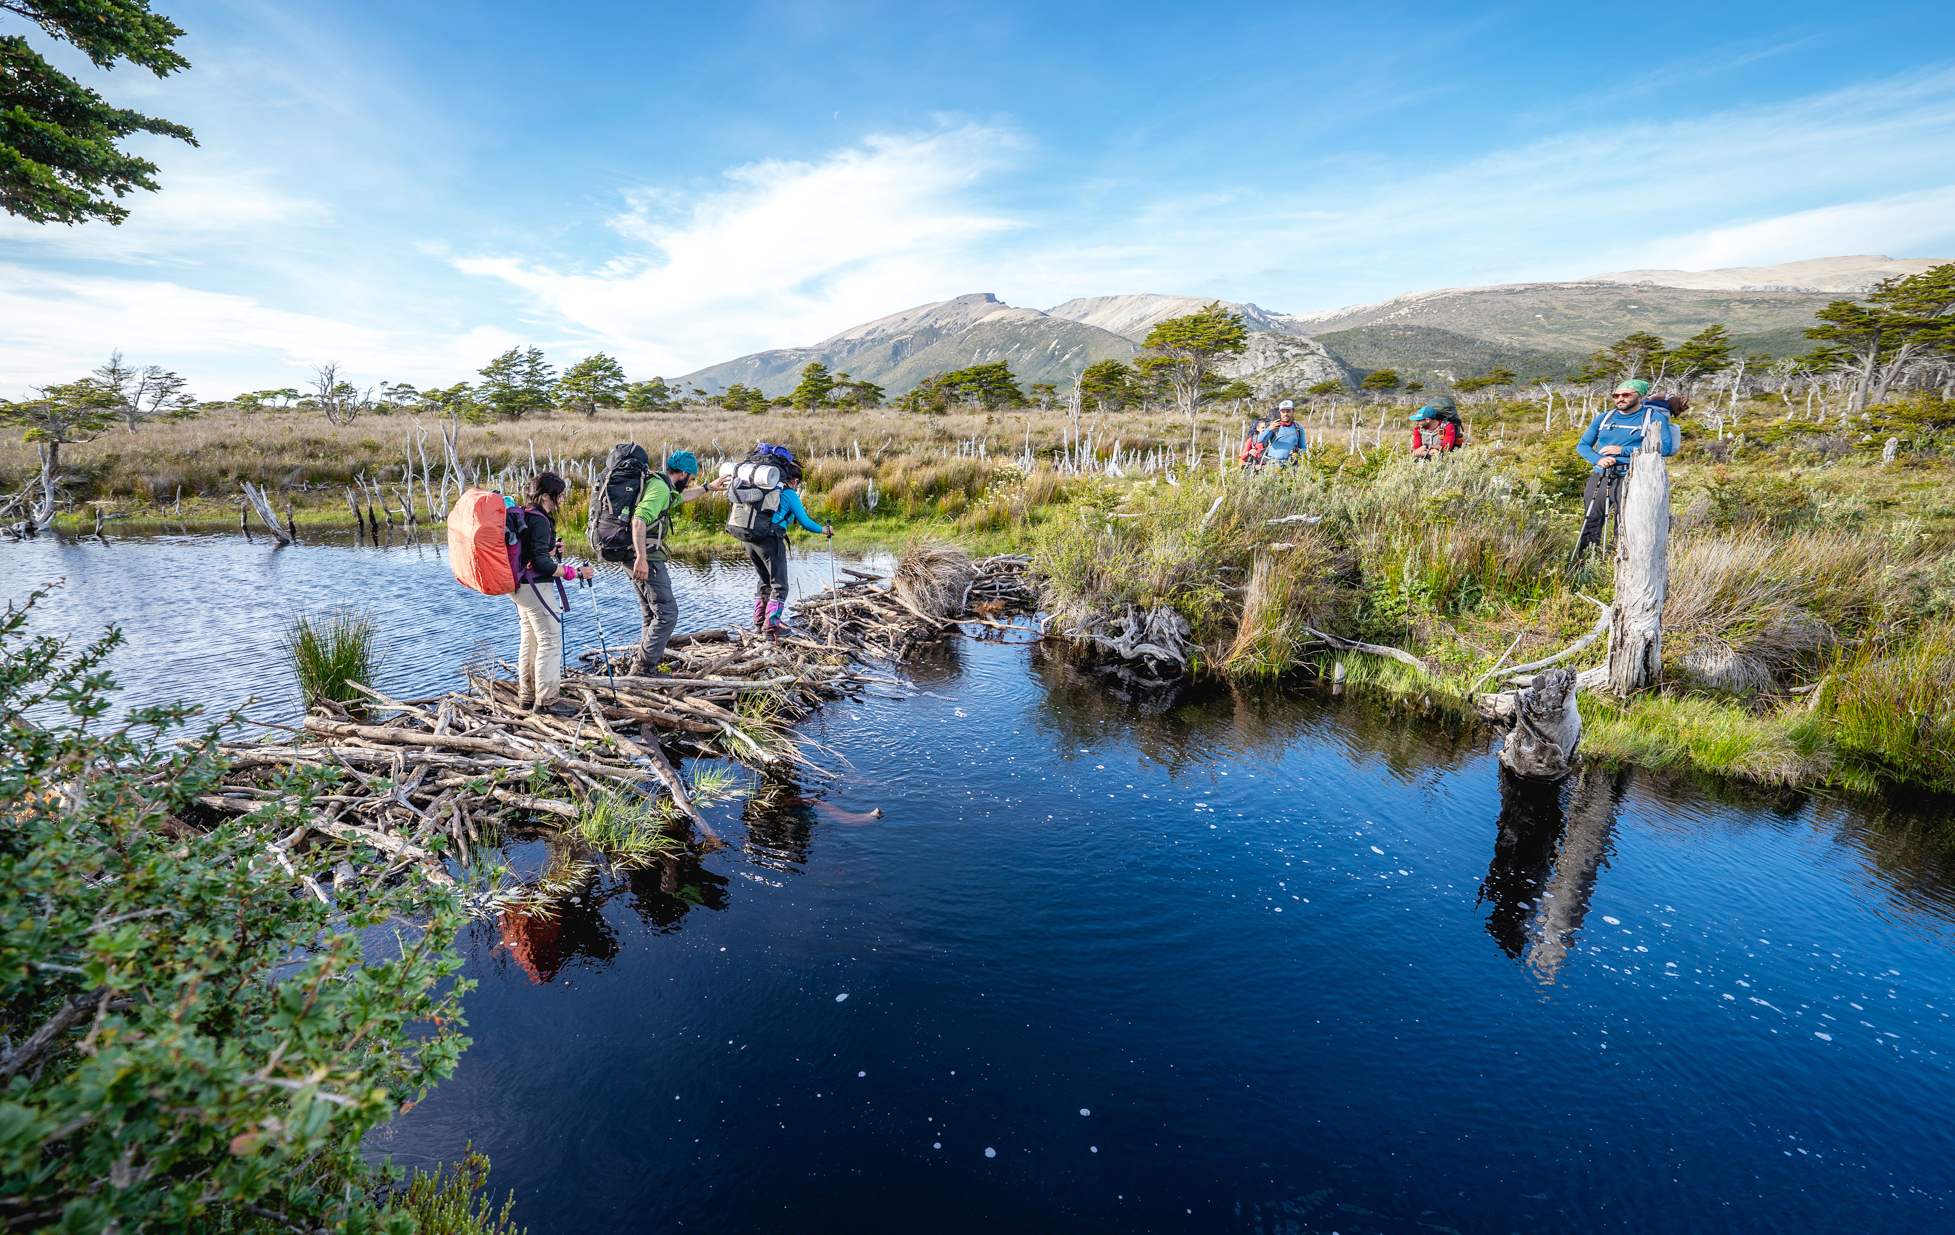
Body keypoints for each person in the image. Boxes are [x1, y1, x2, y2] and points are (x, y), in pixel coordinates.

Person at [627, 450, 728, 675]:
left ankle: (646, 662)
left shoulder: (660, 484)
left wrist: (706, 487)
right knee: (667, 613)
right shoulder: (661, 488)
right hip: (647, 557)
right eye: (691, 478)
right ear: (682, 473)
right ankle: (644, 668)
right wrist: (642, 558)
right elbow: (639, 520)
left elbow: (680, 497)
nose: (690, 482)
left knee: (651, 613)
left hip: (632, 555)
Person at [510, 472, 594, 714]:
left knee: (531, 639)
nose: (563, 500)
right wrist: (575, 572)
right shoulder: (541, 521)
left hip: (519, 588)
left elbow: (531, 555)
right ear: (546, 496)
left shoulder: (527, 515)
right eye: (560, 496)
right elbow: (540, 565)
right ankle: (547, 702)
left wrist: (549, 549)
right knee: (550, 640)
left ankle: (527, 698)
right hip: (534, 588)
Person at [1573, 379, 1680, 560]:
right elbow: (1582, 445)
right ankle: (1584, 565)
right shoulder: (1604, 418)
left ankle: (1619, 566)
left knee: (1625, 524)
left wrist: (1623, 450)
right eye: (1616, 395)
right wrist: (1599, 459)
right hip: (1600, 476)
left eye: (1626, 395)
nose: (1620, 399)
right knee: (1591, 521)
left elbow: (1667, 448)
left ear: (1640, 396)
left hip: (1633, 478)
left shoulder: (1654, 417)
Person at [748, 460, 832, 636]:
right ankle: (771, 629)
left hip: (750, 540)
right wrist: (825, 530)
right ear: (793, 479)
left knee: (764, 581)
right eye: (798, 481)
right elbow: (806, 522)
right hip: (771, 541)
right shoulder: (789, 494)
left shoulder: (765, 489)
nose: (798, 485)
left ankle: (758, 625)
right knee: (780, 585)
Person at [1255, 401, 1307, 465]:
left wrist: (1298, 453)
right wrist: (1269, 429)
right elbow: (1260, 440)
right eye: (1283, 412)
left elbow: (1303, 448)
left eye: (1288, 411)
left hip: (1291, 466)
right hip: (1273, 467)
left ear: (1293, 411)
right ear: (1280, 412)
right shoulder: (1274, 427)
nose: (1285, 414)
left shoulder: (1298, 429)